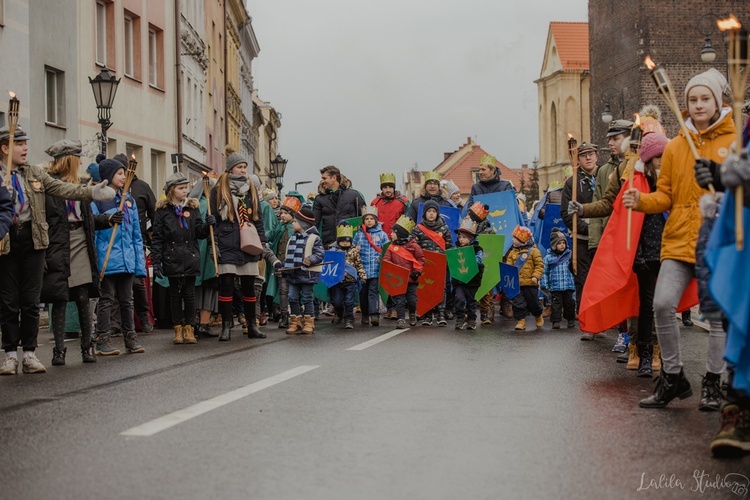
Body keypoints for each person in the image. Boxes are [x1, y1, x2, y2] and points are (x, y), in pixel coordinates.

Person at [623, 68, 733, 409]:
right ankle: (672, 376)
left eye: (705, 99)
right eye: (693, 100)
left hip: (718, 239)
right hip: (679, 239)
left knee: (714, 315)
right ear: (684, 104)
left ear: (718, 102)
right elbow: (666, 195)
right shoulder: (675, 147)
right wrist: (641, 201)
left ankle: (713, 383)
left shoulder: (734, 142)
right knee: (661, 303)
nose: (698, 105)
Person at [0, 126, 115, 375]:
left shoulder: (34, 172)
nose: (25, 148)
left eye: (26, 143)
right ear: (5, 148)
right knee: (9, 302)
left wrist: (90, 193)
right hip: (6, 241)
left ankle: (29, 354)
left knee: (31, 301)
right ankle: (10, 355)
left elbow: (63, 189)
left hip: (34, 241)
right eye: (20, 144)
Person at [41, 139, 111, 365]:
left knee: (82, 296)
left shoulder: (83, 184)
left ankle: (86, 348)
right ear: (69, 160)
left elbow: (88, 219)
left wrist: (107, 219)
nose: (81, 161)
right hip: (58, 243)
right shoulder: (48, 186)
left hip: (81, 240)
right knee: (59, 298)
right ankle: (59, 350)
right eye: (77, 157)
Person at [90, 158, 148, 355]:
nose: (124, 177)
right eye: (119, 173)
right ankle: (102, 339)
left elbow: (136, 236)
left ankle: (130, 338)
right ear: (108, 177)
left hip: (127, 259)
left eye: (125, 173)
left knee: (127, 300)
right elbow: (94, 231)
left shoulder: (129, 201)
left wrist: (138, 264)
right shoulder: (98, 200)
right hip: (107, 259)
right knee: (106, 299)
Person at [211, 147, 268, 341]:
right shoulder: (219, 190)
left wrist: (263, 242)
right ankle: (226, 325)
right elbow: (214, 220)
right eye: (240, 167)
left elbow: (257, 218)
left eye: (245, 167)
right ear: (230, 169)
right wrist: (215, 243)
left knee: (249, 286)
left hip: (248, 241)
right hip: (227, 241)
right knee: (226, 284)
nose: (244, 170)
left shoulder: (251, 188)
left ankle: (252, 324)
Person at [152, 172, 214, 345]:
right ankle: (177, 327)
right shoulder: (163, 211)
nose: (185, 191)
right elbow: (157, 238)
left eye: (185, 188)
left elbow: (199, 233)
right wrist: (157, 261)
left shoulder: (192, 208)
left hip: (190, 255)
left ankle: (190, 328)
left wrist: (208, 224)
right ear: (171, 190)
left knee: (189, 293)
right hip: (172, 256)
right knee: (175, 295)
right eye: (180, 188)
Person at [113, 153, 155, 333]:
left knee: (138, 283)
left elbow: (154, 214)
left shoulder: (141, 188)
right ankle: (116, 324)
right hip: (115, 243)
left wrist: (151, 239)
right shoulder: (110, 191)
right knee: (115, 286)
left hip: (136, 242)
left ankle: (144, 317)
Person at [560, 141, 597, 318]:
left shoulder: (607, 176)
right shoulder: (572, 183)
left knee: (603, 278)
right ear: (578, 159)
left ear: (597, 156)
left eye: (591, 154)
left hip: (605, 237)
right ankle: (586, 317)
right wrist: (587, 229)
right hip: (582, 238)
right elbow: (566, 214)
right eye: (584, 155)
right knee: (583, 279)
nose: (588, 158)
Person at [282, 206, 325, 335]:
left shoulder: (314, 238)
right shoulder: (292, 238)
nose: (293, 223)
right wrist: (283, 266)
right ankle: (295, 321)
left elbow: (320, 253)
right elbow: (288, 256)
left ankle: (309, 322)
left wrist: (311, 259)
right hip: (293, 273)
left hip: (307, 273)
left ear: (303, 223)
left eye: (295, 221)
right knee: (292, 297)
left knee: (307, 298)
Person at [411, 199, 453, 326]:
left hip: (440, 264)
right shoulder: (418, 229)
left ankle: (440, 314)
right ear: (424, 213)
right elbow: (413, 246)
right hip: (425, 264)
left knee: (441, 289)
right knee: (427, 289)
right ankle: (428, 314)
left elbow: (449, 246)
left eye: (434, 211)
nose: (431, 214)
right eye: (429, 211)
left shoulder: (444, 228)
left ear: (437, 213)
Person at [188, 176, 219, 338]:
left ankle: (191, 323)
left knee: (194, 289)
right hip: (206, 252)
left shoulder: (190, 206)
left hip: (194, 253)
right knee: (208, 288)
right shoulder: (207, 206)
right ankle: (204, 324)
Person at [383, 215, 424, 329]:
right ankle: (401, 319)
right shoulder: (391, 247)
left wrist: (417, 271)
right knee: (399, 300)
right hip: (398, 279)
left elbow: (420, 260)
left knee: (412, 300)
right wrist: (392, 270)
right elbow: (387, 260)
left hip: (411, 279)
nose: (391, 234)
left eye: (393, 232)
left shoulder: (414, 246)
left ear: (399, 233)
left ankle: (411, 313)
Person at [267, 195, 301, 329]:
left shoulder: (295, 229)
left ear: (292, 215)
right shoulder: (279, 227)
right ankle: (284, 315)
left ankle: (296, 315)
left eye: (286, 213)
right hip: (281, 264)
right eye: (281, 213)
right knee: (283, 290)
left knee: (293, 292)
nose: (282, 215)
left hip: (293, 264)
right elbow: (271, 236)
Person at [352, 206, 389, 326]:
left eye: (371, 219)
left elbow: (387, 250)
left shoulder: (382, 234)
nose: (369, 221)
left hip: (375, 269)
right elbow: (352, 249)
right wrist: (355, 249)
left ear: (376, 220)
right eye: (366, 219)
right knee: (363, 293)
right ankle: (365, 314)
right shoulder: (359, 235)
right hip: (362, 270)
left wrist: (382, 258)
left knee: (373, 292)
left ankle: (374, 315)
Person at [313, 165, 365, 248]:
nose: (322, 181)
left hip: (350, 242)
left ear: (333, 177)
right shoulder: (319, 199)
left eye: (324, 178)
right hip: (328, 243)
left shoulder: (354, 195)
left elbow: (363, 219)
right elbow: (314, 223)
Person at [504, 226, 544, 331]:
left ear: (522, 239)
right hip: (517, 284)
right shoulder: (512, 253)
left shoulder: (534, 251)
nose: (512, 240)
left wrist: (536, 276)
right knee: (518, 303)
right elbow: (509, 268)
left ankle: (538, 314)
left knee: (533, 303)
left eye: (515, 238)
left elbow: (539, 265)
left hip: (530, 283)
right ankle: (521, 321)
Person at [329, 221, 366, 329]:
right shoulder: (333, 251)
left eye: (347, 241)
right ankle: (339, 313)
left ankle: (349, 319)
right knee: (337, 301)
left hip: (350, 281)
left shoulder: (354, 251)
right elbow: (329, 266)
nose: (345, 243)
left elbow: (359, 265)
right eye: (343, 241)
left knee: (349, 302)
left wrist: (363, 276)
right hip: (336, 281)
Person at [540, 229, 576, 330]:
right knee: (556, 305)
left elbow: (575, 269)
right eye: (559, 243)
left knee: (570, 304)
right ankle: (556, 321)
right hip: (555, 287)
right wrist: (545, 285)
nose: (562, 245)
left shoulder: (570, 256)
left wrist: (575, 281)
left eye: (563, 242)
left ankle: (570, 319)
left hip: (569, 285)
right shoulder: (548, 258)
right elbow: (544, 272)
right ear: (553, 244)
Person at [465, 201, 495, 324]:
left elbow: (493, 246)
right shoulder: (466, 226)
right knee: (469, 288)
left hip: (485, 262)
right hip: (470, 261)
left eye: (470, 215)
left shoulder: (488, 230)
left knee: (485, 289)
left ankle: (484, 314)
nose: (467, 216)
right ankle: (468, 313)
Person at [452, 218, 483, 330]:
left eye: (464, 237)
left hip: (472, 280)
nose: (461, 239)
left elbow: (479, 261)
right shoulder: (456, 249)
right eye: (460, 237)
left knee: (471, 301)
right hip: (459, 280)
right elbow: (453, 262)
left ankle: (471, 320)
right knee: (459, 299)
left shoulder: (477, 249)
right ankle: (460, 318)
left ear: (470, 239)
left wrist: (469, 258)